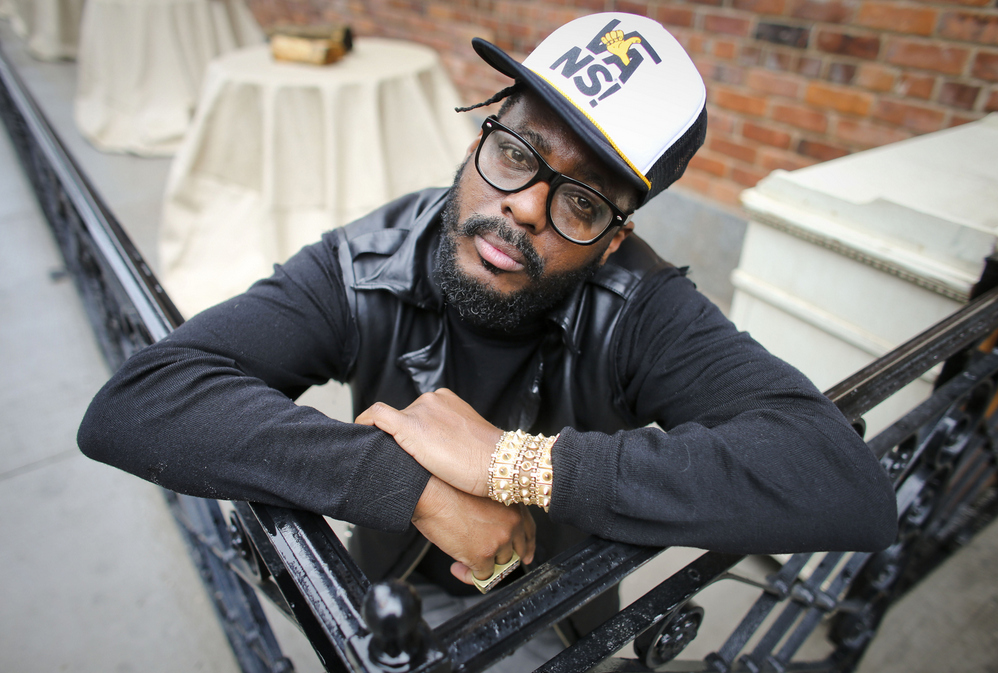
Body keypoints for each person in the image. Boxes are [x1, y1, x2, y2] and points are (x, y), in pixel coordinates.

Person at [78, 11, 897, 667]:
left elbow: (840, 480)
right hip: (387, 595)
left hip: (559, 612)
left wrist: (518, 464)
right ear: (478, 139)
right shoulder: (369, 262)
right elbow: (141, 400)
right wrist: (410, 487)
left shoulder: (640, 305)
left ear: (614, 239)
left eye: (581, 202)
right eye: (516, 153)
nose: (527, 206)